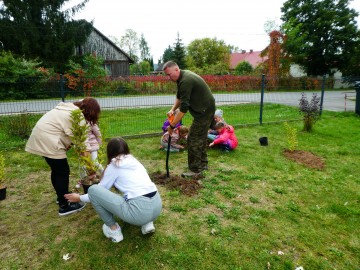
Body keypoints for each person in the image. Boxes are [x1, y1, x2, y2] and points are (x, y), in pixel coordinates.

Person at [65, 137, 162, 243]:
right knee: (135, 192)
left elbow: (97, 193)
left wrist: (79, 198)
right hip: (157, 206)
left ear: (110, 152)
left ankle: (114, 230)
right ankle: (147, 223)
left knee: (93, 189)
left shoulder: (114, 165)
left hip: (139, 212)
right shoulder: (134, 161)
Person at [25, 97, 101, 216]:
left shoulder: (67, 108)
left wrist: (68, 143)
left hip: (40, 136)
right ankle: (64, 206)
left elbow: (63, 128)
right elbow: (84, 148)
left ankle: (61, 196)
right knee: (62, 172)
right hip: (50, 141)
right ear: (90, 112)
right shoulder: (78, 117)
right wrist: (91, 170)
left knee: (56, 170)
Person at [163, 61, 216, 177]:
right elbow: (179, 97)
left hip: (204, 111)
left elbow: (184, 109)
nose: (168, 78)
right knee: (200, 137)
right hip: (204, 108)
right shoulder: (181, 78)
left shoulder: (186, 81)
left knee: (193, 139)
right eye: (167, 75)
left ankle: (195, 170)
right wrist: (172, 109)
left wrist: (172, 126)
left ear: (176, 69)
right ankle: (203, 164)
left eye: (169, 74)